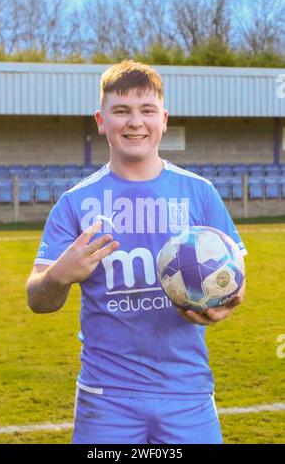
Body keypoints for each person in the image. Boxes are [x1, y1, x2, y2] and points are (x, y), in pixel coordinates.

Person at [26, 60, 247, 444]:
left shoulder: (200, 192)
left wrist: (223, 305)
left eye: (147, 111)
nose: (135, 122)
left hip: (187, 393)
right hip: (106, 398)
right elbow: (38, 299)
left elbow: (236, 281)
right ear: (101, 120)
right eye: (121, 111)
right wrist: (60, 275)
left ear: (163, 119)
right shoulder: (75, 203)